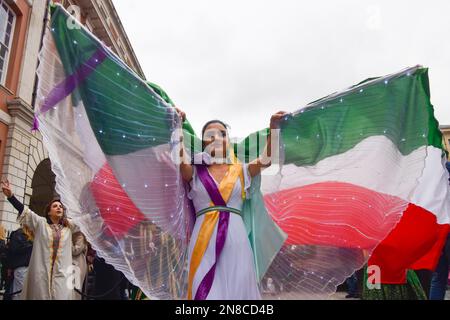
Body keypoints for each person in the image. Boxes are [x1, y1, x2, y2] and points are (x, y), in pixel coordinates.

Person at [176, 107, 287, 300]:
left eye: (222, 134)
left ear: (228, 140)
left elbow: (267, 160)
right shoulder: (194, 171)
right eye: (210, 134)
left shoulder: (242, 170)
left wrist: (274, 128)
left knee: (238, 291)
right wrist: (176, 127)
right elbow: (179, 161)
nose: (217, 137)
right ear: (204, 142)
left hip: (236, 239)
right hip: (203, 241)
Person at [1, 179, 76, 300]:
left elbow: (85, 221)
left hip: (62, 276)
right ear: (49, 212)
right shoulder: (41, 224)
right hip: (41, 274)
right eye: (55, 206)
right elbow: (25, 211)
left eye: (61, 207)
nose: (59, 208)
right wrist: (11, 196)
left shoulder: (68, 228)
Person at [5, 226, 33, 300]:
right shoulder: (18, 234)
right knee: (19, 293)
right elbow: (14, 251)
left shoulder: (32, 234)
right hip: (22, 267)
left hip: (28, 267)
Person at [72, 231, 88, 300]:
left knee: (75, 291)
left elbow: (75, 251)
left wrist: (67, 241)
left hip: (77, 267)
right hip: (73, 266)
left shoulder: (80, 236)